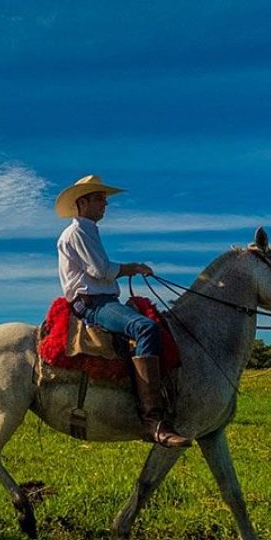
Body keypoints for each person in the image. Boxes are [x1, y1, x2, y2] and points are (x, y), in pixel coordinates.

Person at [55, 174, 191, 448]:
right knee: (145, 327)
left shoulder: (88, 230)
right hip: (93, 304)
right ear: (83, 202)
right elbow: (101, 271)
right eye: (99, 199)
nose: (105, 204)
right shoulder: (78, 232)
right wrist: (135, 267)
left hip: (103, 300)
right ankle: (153, 421)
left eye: (105, 199)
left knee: (153, 325)